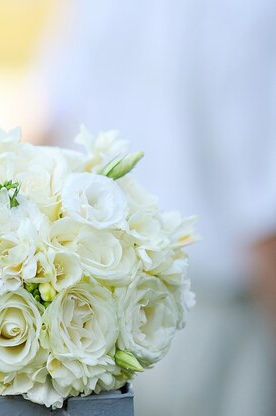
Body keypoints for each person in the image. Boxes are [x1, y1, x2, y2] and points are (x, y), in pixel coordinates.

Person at [36, 1, 276, 415]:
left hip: (94, 324)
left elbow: (48, 133)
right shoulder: (249, 12)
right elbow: (263, 220)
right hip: (215, 331)